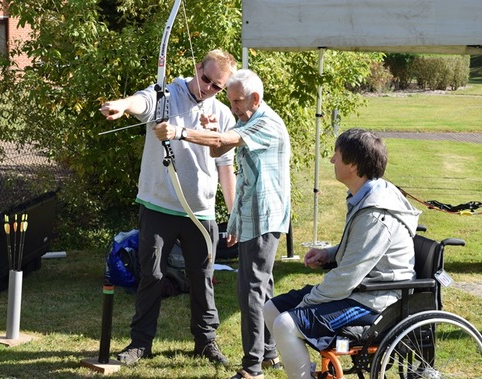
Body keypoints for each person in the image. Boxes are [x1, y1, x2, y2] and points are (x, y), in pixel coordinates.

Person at [99, 49, 237, 366]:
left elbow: (226, 168)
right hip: (159, 204)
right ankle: (140, 343)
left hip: (199, 211)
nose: (208, 89)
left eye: (217, 86)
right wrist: (121, 105)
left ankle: (206, 342)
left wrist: (233, 213)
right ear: (196, 67)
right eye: (206, 79)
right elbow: (142, 102)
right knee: (152, 274)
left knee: (203, 277)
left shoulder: (222, 114)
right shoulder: (167, 94)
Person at [154, 69, 291, 379]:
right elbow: (219, 147)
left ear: (255, 98)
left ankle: (252, 368)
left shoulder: (266, 123)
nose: (233, 108)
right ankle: (268, 356)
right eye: (230, 101)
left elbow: (219, 141)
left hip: (264, 216)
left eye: (236, 101)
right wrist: (212, 129)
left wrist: (180, 132)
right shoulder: (248, 118)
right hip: (253, 216)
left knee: (251, 290)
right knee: (262, 286)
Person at [262, 128, 421, 379]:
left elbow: (348, 276)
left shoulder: (375, 213)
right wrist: (329, 253)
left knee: (285, 322)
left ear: (354, 165)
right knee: (271, 309)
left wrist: (307, 303)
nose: (332, 160)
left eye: (337, 154)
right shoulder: (366, 196)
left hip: (375, 302)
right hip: (360, 290)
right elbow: (361, 251)